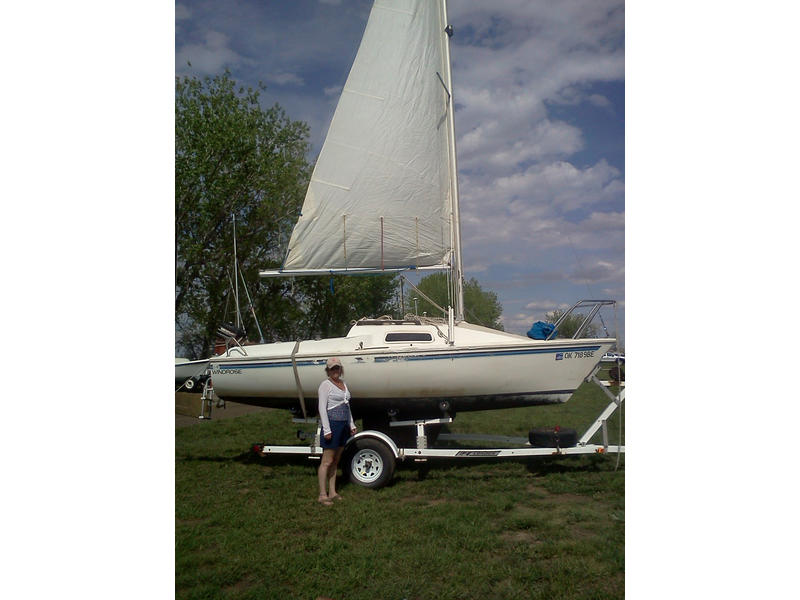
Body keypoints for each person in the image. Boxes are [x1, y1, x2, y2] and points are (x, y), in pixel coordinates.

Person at [317, 357, 357, 505]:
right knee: (326, 461)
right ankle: (322, 494)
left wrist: (351, 424)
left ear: (341, 369)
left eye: (337, 368)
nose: (335, 371)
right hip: (332, 425)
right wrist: (326, 429)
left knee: (335, 460)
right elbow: (322, 408)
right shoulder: (325, 385)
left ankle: (332, 492)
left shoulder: (343, 384)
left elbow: (347, 406)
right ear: (328, 370)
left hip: (343, 426)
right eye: (332, 368)